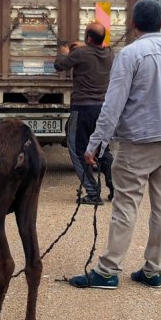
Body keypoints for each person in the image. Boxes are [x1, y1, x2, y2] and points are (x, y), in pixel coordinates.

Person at [68, 0, 161, 289]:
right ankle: (154, 270)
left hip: (137, 141)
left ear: (133, 24)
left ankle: (107, 271)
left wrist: (94, 145)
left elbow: (112, 106)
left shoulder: (130, 55)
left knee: (126, 204)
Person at [54, 21, 114, 205]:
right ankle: (115, 188)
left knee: (77, 149)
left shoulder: (79, 54)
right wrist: (83, 46)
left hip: (82, 109)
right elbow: (94, 50)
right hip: (102, 111)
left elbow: (59, 65)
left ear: (88, 38)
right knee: (102, 150)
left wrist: (64, 50)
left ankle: (92, 193)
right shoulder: (110, 53)